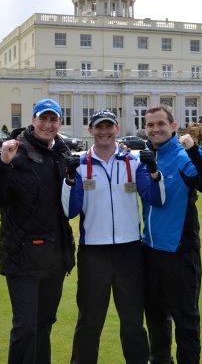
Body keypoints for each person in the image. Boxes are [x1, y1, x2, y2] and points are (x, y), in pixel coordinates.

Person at [61, 109, 165, 364]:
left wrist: (154, 173)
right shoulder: (81, 164)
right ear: (91, 130)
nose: (104, 131)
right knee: (89, 322)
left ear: (117, 128)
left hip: (129, 252)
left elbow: (157, 198)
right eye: (99, 127)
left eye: (109, 126)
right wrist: (69, 179)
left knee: (132, 322)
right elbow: (70, 211)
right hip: (93, 253)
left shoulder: (133, 162)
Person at [0, 98, 76, 364]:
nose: (48, 124)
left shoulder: (64, 155)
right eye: (42, 118)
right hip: (21, 257)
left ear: (59, 122)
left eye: (53, 119)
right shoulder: (16, 153)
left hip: (54, 256)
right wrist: (2, 163)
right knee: (25, 328)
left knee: (44, 324)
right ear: (33, 120)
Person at [141, 105, 202, 364]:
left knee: (186, 324)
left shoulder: (182, 157)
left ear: (173, 126)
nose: (155, 129)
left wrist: (193, 150)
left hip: (180, 254)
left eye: (160, 124)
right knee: (156, 323)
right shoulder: (146, 158)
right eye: (150, 125)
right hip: (150, 253)